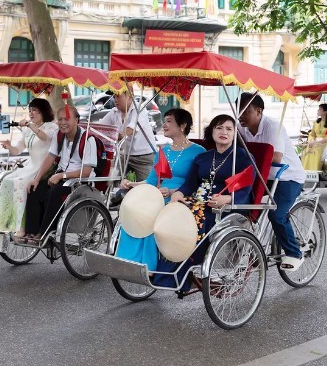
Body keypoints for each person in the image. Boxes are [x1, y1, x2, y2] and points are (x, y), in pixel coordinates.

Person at [163, 114, 255, 288]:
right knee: (173, 214)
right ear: (211, 131)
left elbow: (246, 188)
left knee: (195, 218)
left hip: (228, 206)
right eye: (219, 128)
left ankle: (188, 269)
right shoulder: (203, 157)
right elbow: (190, 184)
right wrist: (179, 194)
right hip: (198, 200)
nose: (224, 132)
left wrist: (227, 198)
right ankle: (168, 269)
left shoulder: (243, 157)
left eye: (229, 129)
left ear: (235, 133)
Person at [113, 109, 206, 271]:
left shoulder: (198, 152)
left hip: (182, 196)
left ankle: (148, 265)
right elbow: (150, 181)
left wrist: (173, 191)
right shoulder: (163, 151)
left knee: (151, 216)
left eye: (169, 121)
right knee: (134, 212)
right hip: (157, 194)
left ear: (182, 125)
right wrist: (131, 184)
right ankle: (127, 259)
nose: (164, 124)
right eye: (165, 120)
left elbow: (199, 184)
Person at [237, 92, 306, 273]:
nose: (240, 115)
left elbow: (276, 157)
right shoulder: (239, 127)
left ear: (259, 111)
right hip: (260, 176)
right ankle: (252, 249)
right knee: (242, 211)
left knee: (276, 215)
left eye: (246, 111)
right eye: (238, 110)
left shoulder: (273, 127)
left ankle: (294, 252)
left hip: (287, 177)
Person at [22, 104, 96, 242]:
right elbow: (50, 157)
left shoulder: (88, 139)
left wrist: (62, 176)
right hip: (60, 176)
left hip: (79, 181)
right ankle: (31, 232)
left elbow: (86, 171)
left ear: (76, 120)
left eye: (66, 119)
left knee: (54, 192)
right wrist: (37, 179)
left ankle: (45, 233)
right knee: (34, 188)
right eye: (60, 119)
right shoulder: (59, 134)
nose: (62, 123)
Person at [0, 98, 59, 235]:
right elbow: (17, 150)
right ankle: (6, 222)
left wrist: (29, 125)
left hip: (44, 167)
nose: (31, 113)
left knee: (20, 184)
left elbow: (44, 137)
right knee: (7, 181)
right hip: (30, 166)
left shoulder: (51, 127)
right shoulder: (27, 130)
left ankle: (21, 227)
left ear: (43, 112)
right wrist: (9, 146)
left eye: (35, 110)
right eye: (30, 110)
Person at [109, 87, 157, 206]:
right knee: (110, 174)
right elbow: (100, 125)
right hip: (125, 156)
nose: (115, 99)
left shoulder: (138, 108)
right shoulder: (114, 112)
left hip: (144, 157)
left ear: (129, 96)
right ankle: (115, 194)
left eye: (118, 96)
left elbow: (131, 128)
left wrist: (119, 136)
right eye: (114, 96)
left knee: (148, 189)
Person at [301, 103, 327, 171]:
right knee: (306, 149)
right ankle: (305, 171)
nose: (318, 111)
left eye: (320, 109)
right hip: (314, 142)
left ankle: (315, 171)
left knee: (316, 149)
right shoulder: (316, 122)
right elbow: (312, 134)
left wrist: (318, 142)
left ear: (325, 111)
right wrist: (311, 140)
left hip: (326, 142)